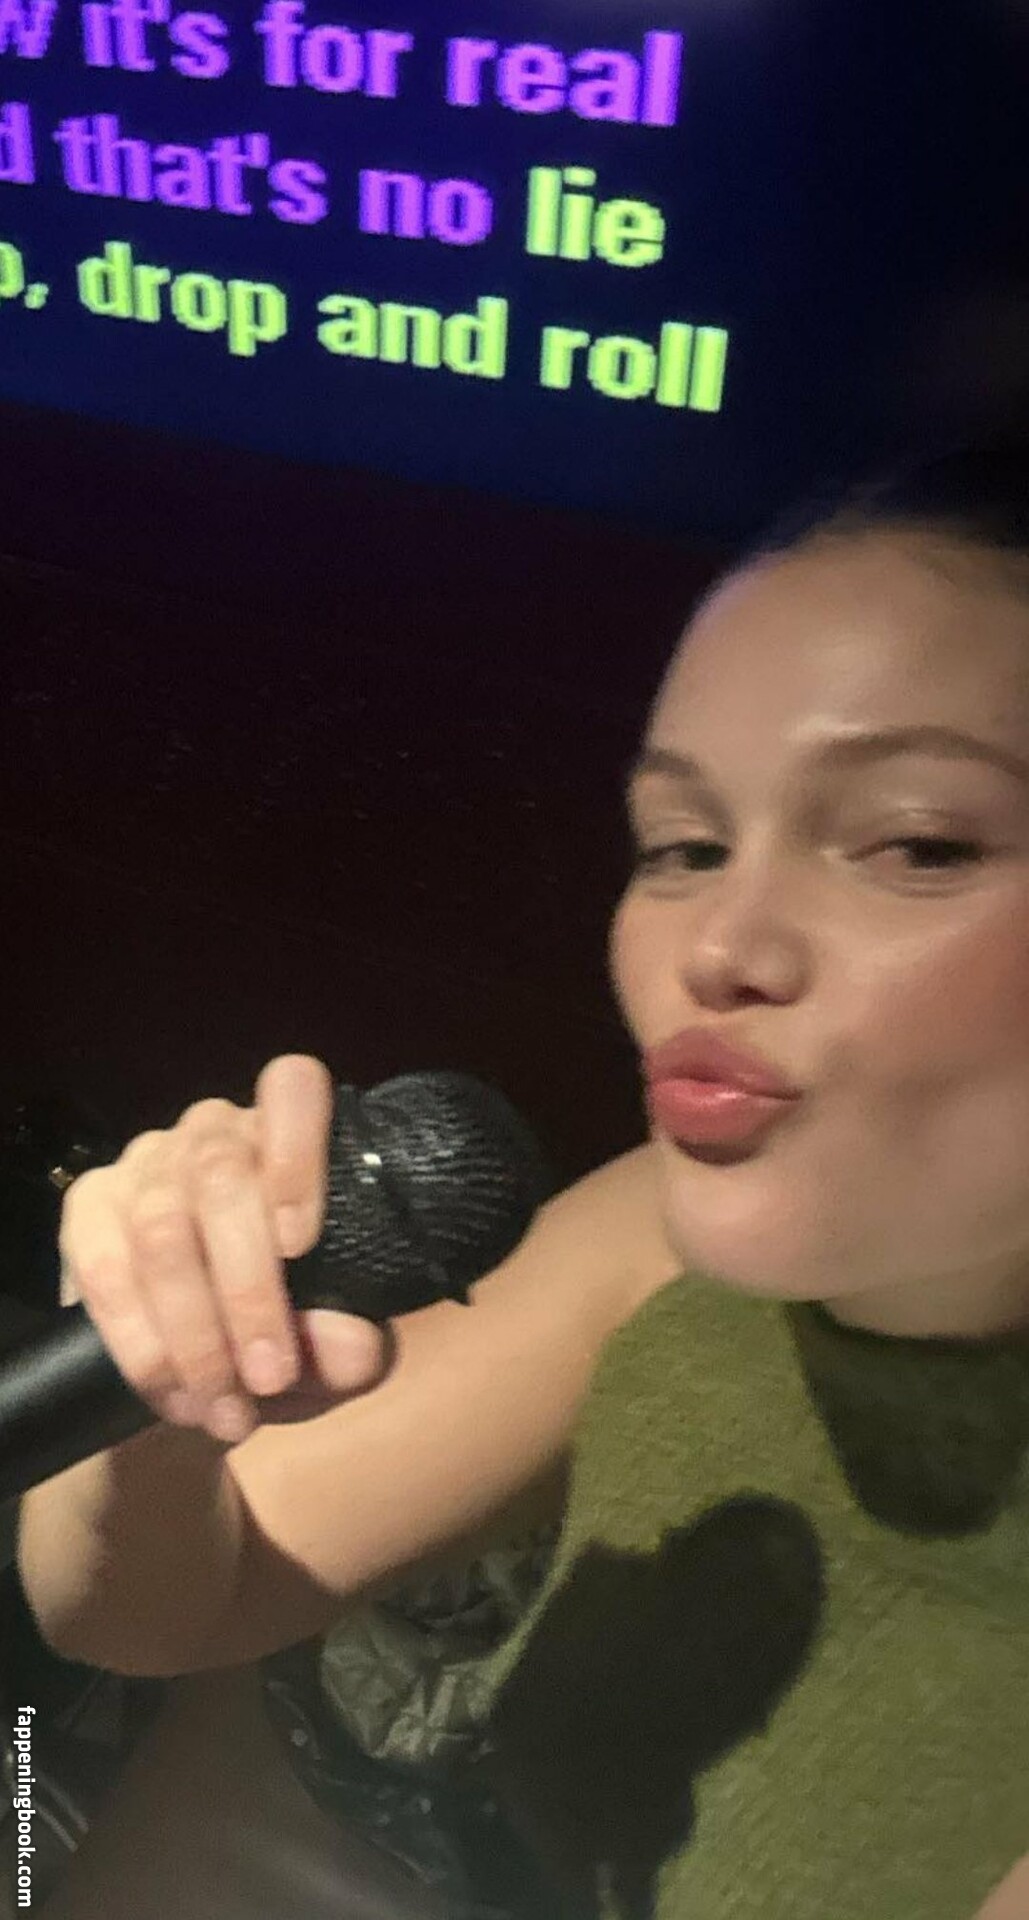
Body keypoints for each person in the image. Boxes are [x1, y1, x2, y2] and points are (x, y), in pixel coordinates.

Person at [14, 441, 1029, 1920]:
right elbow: (164, 1610)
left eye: (917, 843)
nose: (714, 946)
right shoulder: (655, 1239)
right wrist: (146, 1397)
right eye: (682, 844)